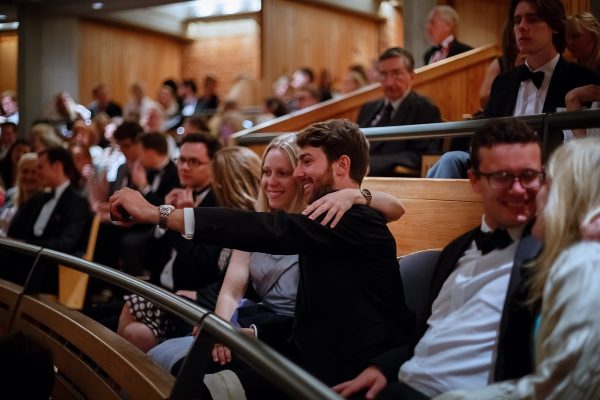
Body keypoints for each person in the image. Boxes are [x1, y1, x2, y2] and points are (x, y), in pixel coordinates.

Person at [109, 119, 414, 391]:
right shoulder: (333, 215)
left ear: (342, 165)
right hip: (307, 357)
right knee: (191, 378)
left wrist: (157, 213)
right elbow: (306, 325)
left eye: (305, 162)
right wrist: (242, 332)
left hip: (342, 372)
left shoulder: (352, 219)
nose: (297, 173)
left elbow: (264, 229)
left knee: (198, 387)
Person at [334, 118, 543, 399]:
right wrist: (383, 368)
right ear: (474, 181)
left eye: (528, 175)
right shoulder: (456, 249)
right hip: (401, 382)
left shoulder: (550, 253)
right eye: (502, 177)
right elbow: (427, 336)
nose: (518, 189)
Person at [435, 137, 600, 399]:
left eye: (543, 180)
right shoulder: (572, 257)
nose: (532, 193)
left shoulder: (585, 262)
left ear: (572, 196)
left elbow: (565, 390)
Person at [428, 0, 600, 179]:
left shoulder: (584, 81)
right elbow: (486, 135)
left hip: (553, 173)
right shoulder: (503, 82)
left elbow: (590, 153)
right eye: (517, 21)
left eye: (532, 19)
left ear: (555, 26)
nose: (522, 27)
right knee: (451, 159)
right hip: (500, 170)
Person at [118, 141, 255, 352]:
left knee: (131, 315)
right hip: (173, 290)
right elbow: (147, 258)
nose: (184, 167)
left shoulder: (231, 216)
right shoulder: (186, 197)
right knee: (111, 317)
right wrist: (170, 217)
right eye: (181, 160)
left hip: (204, 302)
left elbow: (210, 272)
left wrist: (176, 222)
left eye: (194, 162)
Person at [3, 146, 91, 292]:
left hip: (51, 268)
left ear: (56, 167)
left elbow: (65, 244)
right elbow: (15, 229)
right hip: (27, 258)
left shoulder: (77, 202)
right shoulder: (39, 198)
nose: (37, 173)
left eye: (41, 167)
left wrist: (27, 244)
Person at [357, 47, 442, 176]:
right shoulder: (368, 108)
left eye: (397, 73)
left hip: (392, 180)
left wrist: (370, 165)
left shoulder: (425, 109)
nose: (389, 82)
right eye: (384, 75)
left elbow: (421, 156)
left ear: (412, 76)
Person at [479, 21, 526, 109]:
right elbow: (484, 101)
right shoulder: (499, 63)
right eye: (515, 41)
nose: (520, 45)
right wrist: (515, 73)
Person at [0, 152, 40, 237]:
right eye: (25, 171)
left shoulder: (44, 202)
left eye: (34, 172)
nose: (29, 176)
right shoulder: (11, 193)